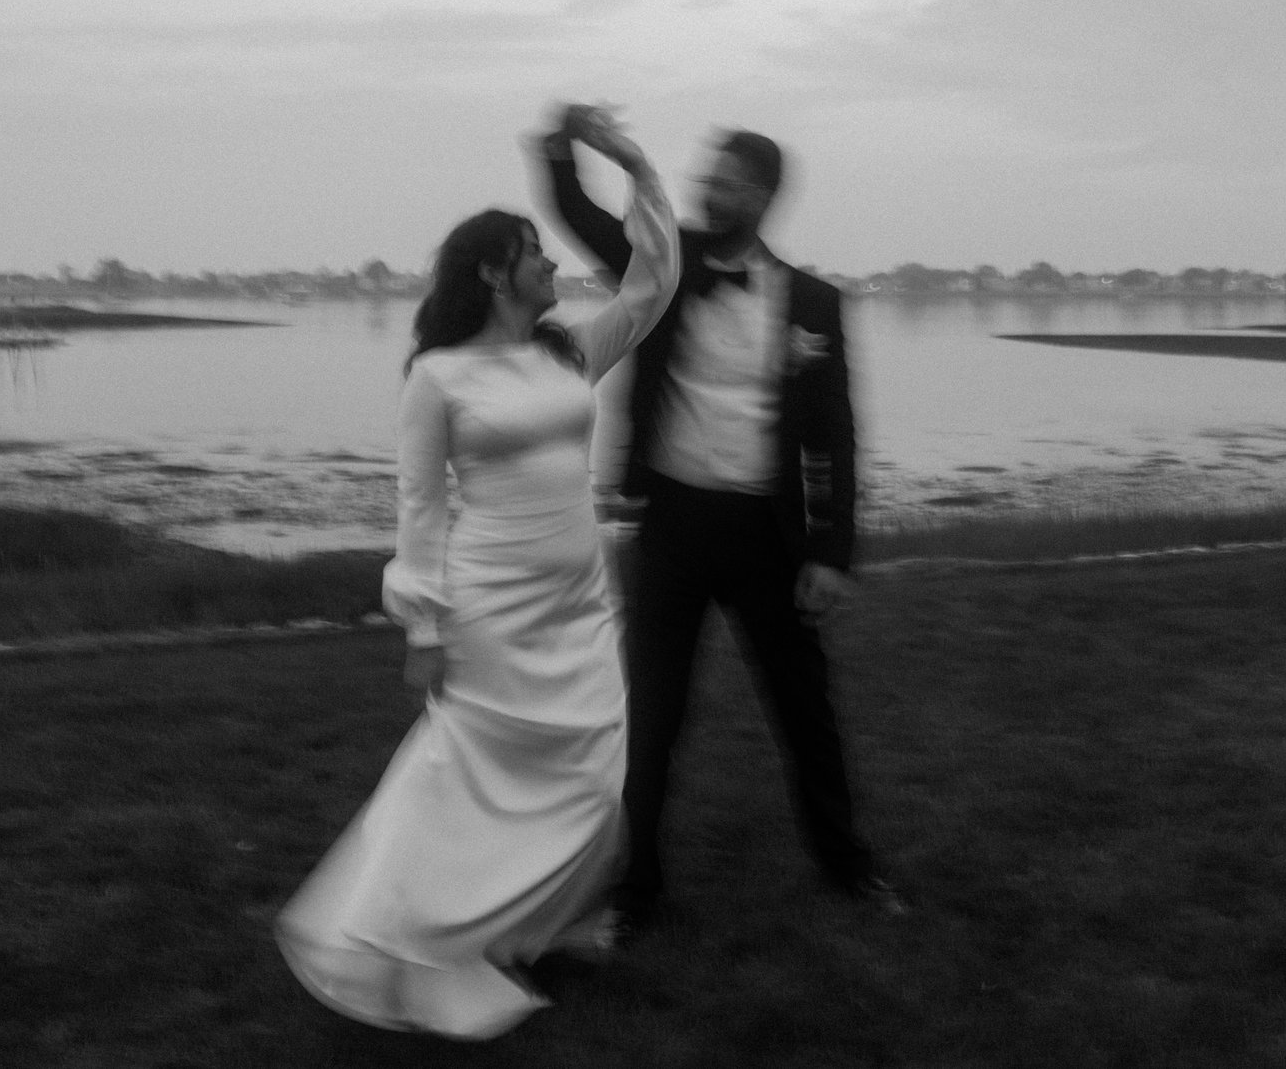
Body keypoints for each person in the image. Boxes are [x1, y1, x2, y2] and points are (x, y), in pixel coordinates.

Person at [274, 108, 678, 1041]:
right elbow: (418, 507)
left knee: (590, 775)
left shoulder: (565, 352)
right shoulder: (439, 378)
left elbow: (653, 286)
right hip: (491, 606)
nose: (553, 267)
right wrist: (423, 627)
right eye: (535, 255)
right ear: (495, 273)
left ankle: (544, 920)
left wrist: (629, 164)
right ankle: (409, 931)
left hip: (581, 604)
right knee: (471, 778)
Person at [537, 110, 907, 937]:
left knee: (805, 712)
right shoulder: (668, 268)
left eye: (728, 180)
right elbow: (585, 217)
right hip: (671, 527)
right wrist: (565, 144)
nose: (710, 188)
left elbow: (836, 437)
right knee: (653, 716)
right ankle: (638, 888)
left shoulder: (815, 303)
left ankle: (849, 868)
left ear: (765, 195)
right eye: (707, 176)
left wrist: (831, 553)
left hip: (769, 539)